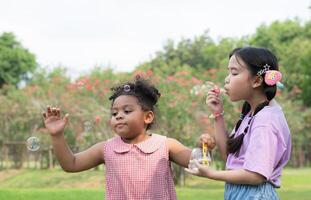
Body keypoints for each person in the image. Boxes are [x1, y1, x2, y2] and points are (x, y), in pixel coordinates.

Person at [43, 77, 213, 200]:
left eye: (127, 111)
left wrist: (203, 146)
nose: (118, 116)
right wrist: (57, 135)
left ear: (148, 117)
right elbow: (70, 164)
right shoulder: (106, 148)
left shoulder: (165, 145)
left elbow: (198, 161)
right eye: (114, 113)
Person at [186, 47, 291, 200]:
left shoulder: (265, 121)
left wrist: (211, 174)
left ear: (256, 80)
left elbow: (256, 175)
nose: (227, 79)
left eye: (234, 73)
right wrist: (217, 115)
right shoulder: (251, 114)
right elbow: (228, 156)